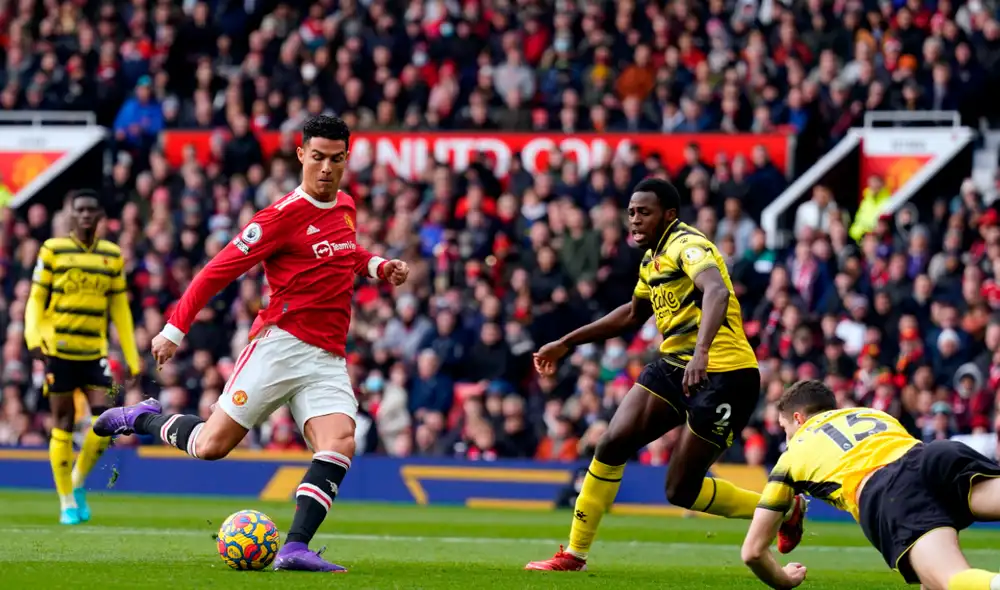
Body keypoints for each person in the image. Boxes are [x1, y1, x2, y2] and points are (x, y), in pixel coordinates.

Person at [94, 115, 410, 572]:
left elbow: (344, 253)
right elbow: (216, 271)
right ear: (300, 155)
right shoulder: (279, 218)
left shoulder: (345, 205)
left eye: (336, 159)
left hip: (327, 357)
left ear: (346, 159)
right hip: (279, 347)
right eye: (317, 157)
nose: (326, 168)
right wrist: (174, 330)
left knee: (340, 442)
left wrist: (378, 265)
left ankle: (295, 547)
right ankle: (139, 417)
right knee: (210, 445)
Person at [525, 178, 805, 571]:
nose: (635, 220)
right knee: (611, 443)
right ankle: (574, 553)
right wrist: (567, 342)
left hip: (726, 374)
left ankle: (786, 507)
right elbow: (632, 314)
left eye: (644, 212)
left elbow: (717, 291)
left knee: (680, 490)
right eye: (631, 213)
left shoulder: (687, 245)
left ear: (669, 214)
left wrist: (702, 352)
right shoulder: (651, 261)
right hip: (675, 365)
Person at [742, 380, 1000, 590]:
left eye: (784, 427)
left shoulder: (790, 457)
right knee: (935, 576)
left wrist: (785, 580)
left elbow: (752, 552)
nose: (786, 437)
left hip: (889, 489)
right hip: (935, 455)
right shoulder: (870, 412)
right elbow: (919, 478)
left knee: (953, 580)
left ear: (798, 419)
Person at [24, 189, 140, 525]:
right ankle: (66, 503)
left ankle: (76, 482)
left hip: (93, 352)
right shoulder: (53, 249)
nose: (86, 215)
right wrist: (33, 337)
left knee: (105, 422)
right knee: (61, 423)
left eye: (92, 210)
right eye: (81, 210)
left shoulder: (111, 256)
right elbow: (36, 298)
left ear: (100, 215)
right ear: (71, 215)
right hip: (59, 351)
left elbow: (120, 308)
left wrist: (132, 355)